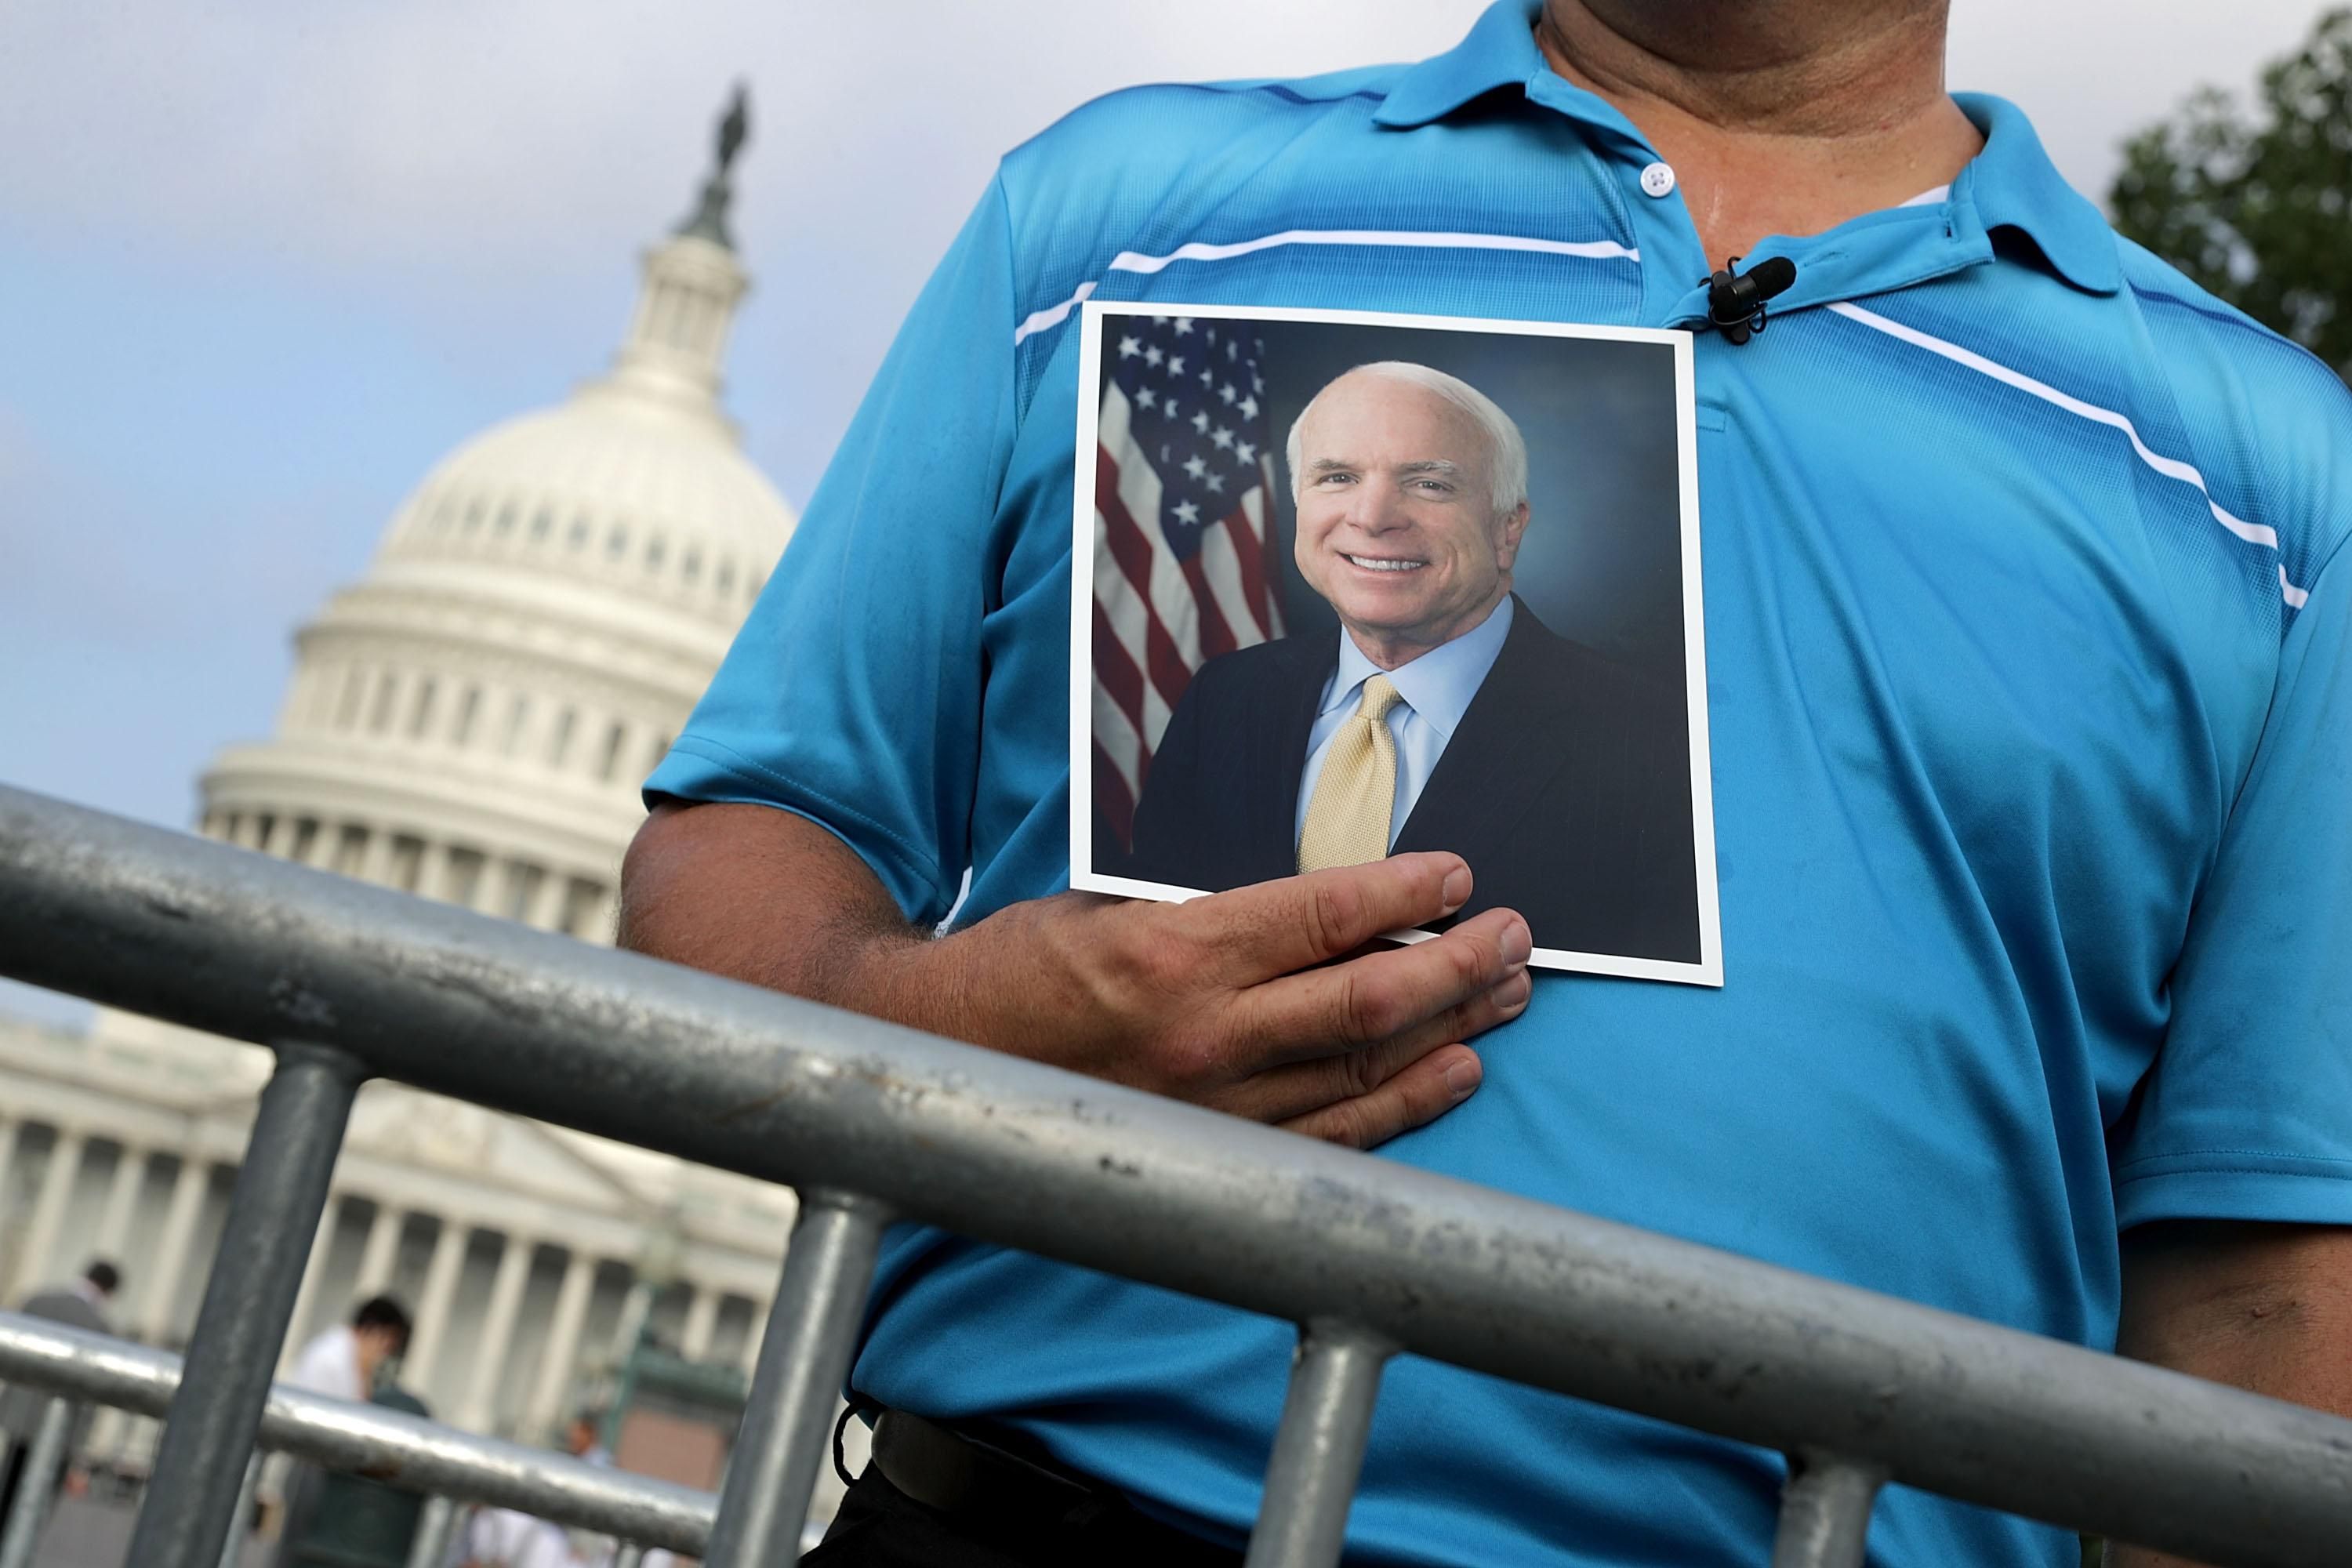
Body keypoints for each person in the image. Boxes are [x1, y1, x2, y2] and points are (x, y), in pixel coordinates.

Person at [619, 2, 2352, 1565]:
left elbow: (2271, 1290)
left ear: (1513, 533)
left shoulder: (2273, 482)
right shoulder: (1122, 208)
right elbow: (734, 861)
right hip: (1030, 1512)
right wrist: (958, 1027)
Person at [1124, 360, 1700, 962]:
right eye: (1338, 477)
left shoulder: (1653, 740)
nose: (1372, 517)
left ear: (1508, 530)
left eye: (1429, 483)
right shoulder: (1226, 693)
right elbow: (1153, 939)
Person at [0, 1259, 119, 1524]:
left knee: (6, 1492)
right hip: (61, 1432)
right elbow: (91, 1395)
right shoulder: (100, 1327)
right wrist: (81, 1446)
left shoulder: (39, 1301)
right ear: (109, 1291)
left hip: (20, 1418)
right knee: (31, 1511)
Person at [285, 1295, 412, 1403]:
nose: (383, 1356)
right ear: (372, 1331)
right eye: (386, 1346)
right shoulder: (330, 1361)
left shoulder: (346, 1357)